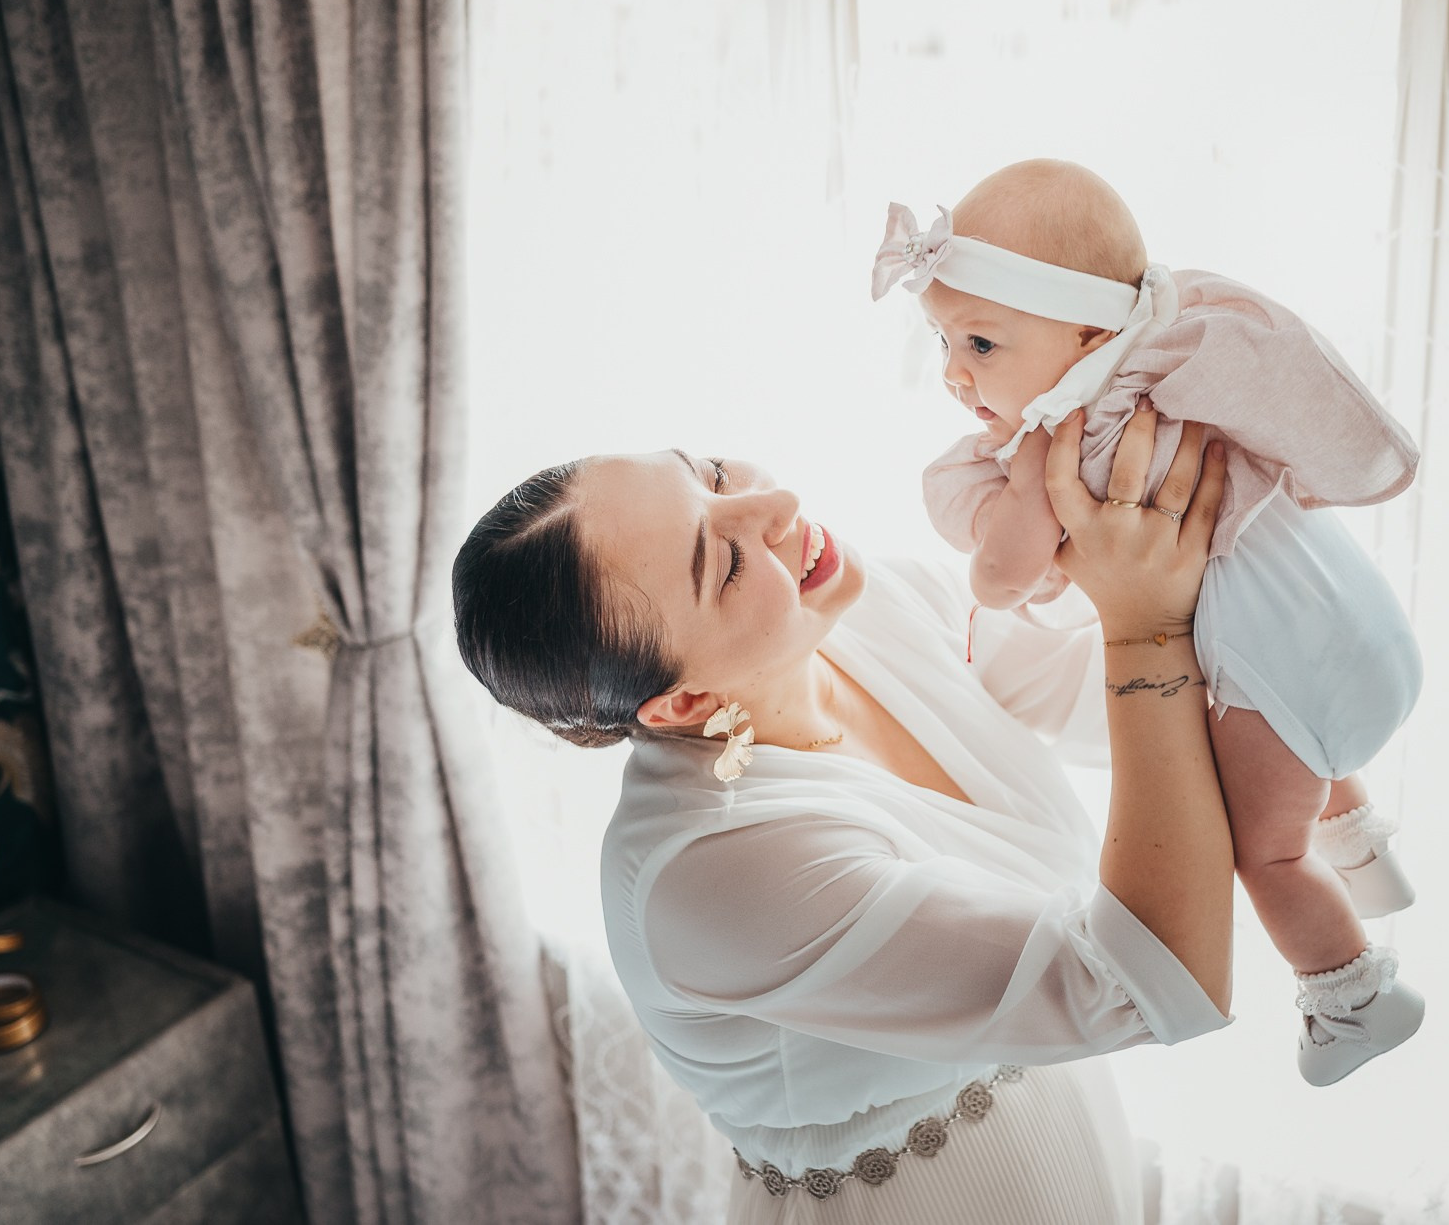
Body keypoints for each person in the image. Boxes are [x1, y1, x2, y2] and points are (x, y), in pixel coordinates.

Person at [453, 406, 1234, 1223]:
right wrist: (1146, 629)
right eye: (722, 563)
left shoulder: (853, 611)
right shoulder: (716, 874)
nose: (777, 506)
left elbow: (1106, 699)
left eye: (711, 472)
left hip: (1070, 1131)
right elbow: (1160, 981)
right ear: (685, 700)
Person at [871, 159, 1426, 1086]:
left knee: (1266, 850)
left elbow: (1006, 577)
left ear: (1084, 332)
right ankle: (1367, 853)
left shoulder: (1068, 441)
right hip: (1355, 616)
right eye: (942, 343)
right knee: (1298, 743)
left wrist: (1013, 487)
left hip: (1282, 683)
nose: (953, 376)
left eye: (979, 344)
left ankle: (1356, 999)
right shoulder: (1178, 356)